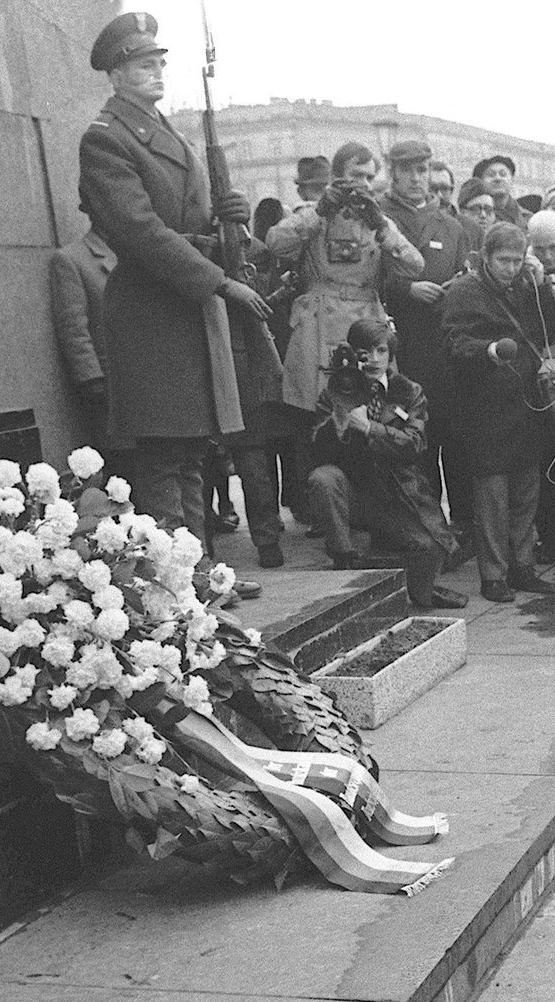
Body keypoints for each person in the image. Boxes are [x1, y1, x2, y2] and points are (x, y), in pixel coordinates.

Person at [77, 12, 277, 598]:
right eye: (144, 64)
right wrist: (219, 280)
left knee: (193, 450)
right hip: (152, 313)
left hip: (181, 310)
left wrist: (227, 211)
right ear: (115, 74)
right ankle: (176, 580)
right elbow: (140, 232)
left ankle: (198, 574)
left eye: (160, 62)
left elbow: (180, 216)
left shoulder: (162, 130)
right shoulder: (107, 138)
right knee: (165, 456)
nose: (157, 72)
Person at [438, 223, 555, 603]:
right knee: (492, 497)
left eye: (516, 260)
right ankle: (493, 574)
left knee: (527, 490)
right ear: (485, 258)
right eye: (502, 261)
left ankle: (523, 566)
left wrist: (541, 285)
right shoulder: (464, 292)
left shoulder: (524, 289)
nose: (510, 269)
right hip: (486, 405)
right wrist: (490, 349)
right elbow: (454, 343)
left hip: (524, 403)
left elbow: (546, 332)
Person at [303, 320, 466, 609]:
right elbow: (314, 452)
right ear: (354, 355)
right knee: (323, 478)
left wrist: (370, 429)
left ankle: (409, 583)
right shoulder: (336, 390)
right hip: (353, 491)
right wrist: (338, 425)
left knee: (430, 551)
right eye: (366, 352)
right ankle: (344, 560)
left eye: (381, 350)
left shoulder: (408, 391)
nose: (375, 359)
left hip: (397, 493)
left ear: (391, 354)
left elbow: (415, 444)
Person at [266, 143, 425, 418]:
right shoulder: (315, 215)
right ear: (337, 176)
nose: (363, 183)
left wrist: (382, 228)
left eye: (369, 177)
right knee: (319, 413)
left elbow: (414, 266)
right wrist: (321, 212)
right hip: (319, 324)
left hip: (366, 323)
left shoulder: (378, 222)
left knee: (370, 411)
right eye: (356, 175)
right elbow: (276, 243)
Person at [379, 139, 475, 530]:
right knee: (415, 444)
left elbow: (467, 277)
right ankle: (428, 529)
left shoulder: (450, 225)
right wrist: (406, 290)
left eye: (423, 170)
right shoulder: (379, 218)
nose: (417, 178)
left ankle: (466, 527)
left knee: (454, 439)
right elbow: (365, 280)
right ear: (394, 173)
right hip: (402, 345)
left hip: (444, 347)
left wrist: (458, 287)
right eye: (408, 170)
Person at [47, 205, 120, 453]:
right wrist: (92, 379)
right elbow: (73, 326)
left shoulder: (138, 254)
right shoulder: (71, 259)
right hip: (111, 386)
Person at [472, 155, 524, 227]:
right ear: (480, 182)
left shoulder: (528, 219)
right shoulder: (473, 219)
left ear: (512, 180)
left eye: (503, 174)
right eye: (491, 175)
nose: (497, 178)